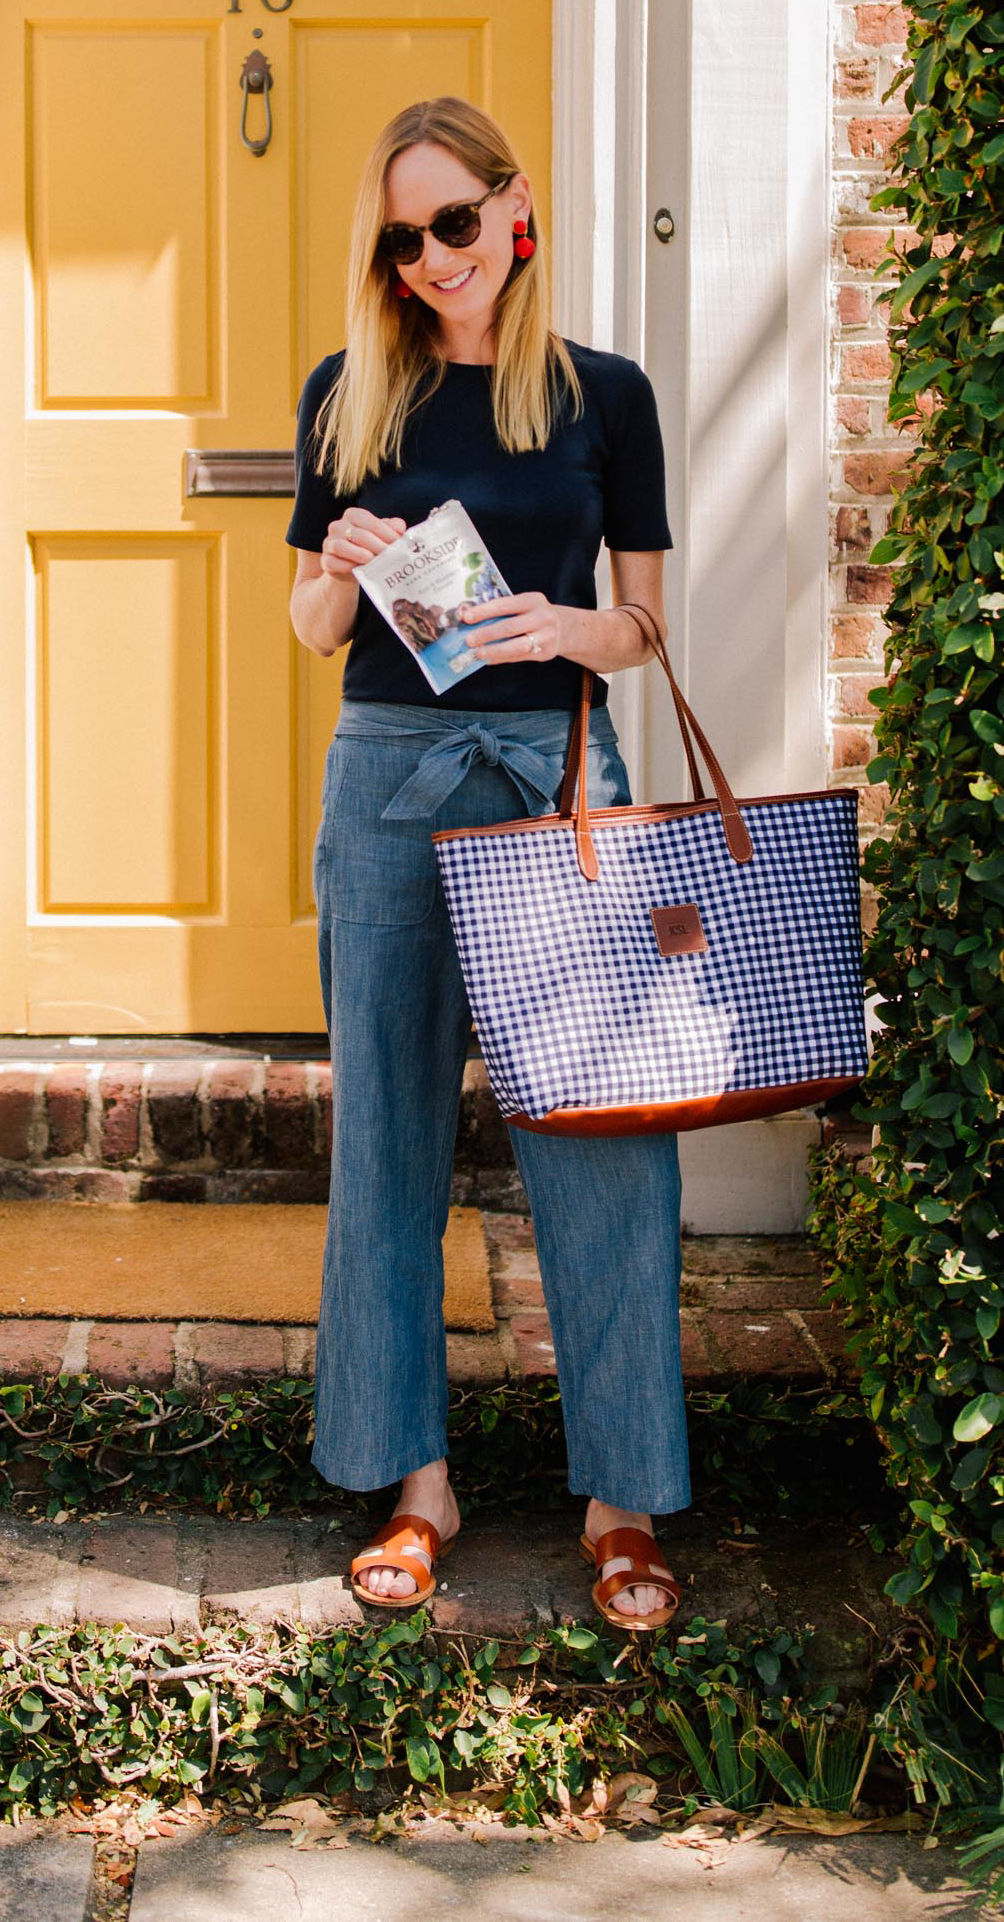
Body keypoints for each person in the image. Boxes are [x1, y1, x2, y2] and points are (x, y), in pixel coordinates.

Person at [285, 94, 686, 1632]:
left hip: (555, 776)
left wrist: (562, 625)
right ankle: (414, 1485)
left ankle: (623, 1498)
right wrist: (333, 572)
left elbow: (644, 630)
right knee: (387, 1138)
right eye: (405, 237)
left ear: (515, 208)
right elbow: (317, 636)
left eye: (456, 221)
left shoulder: (607, 397)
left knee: (603, 1142)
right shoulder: (352, 397)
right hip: (388, 781)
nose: (435, 258)